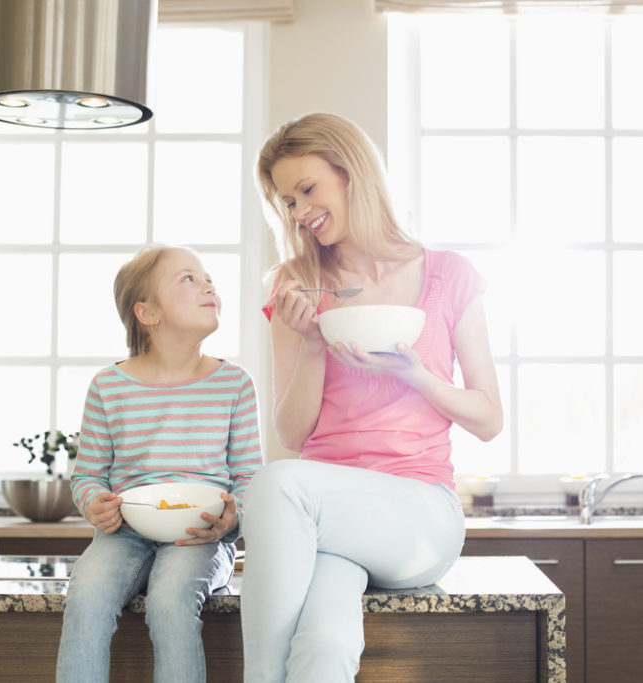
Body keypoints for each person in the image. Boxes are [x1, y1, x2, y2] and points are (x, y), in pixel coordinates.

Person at [241, 112, 504, 682]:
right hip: (328, 516)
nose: (299, 211)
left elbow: (489, 419)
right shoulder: (295, 285)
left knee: (277, 483)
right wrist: (312, 346)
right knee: (326, 644)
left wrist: (419, 377)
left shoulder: (448, 274)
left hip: (420, 514)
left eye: (307, 189)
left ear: (351, 172)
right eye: (287, 201)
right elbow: (292, 434)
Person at [56, 244, 263, 683]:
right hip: (124, 534)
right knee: (86, 596)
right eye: (188, 278)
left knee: (171, 601)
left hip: (199, 534)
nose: (209, 284)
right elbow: (89, 475)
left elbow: (248, 476)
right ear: (147, 313)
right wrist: (95, 503)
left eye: (207, 277)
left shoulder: (235, 384)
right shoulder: (108, 386)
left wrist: (233, 518)